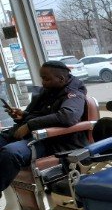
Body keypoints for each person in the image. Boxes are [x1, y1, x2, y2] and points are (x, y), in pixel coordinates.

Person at [0, 61, 88, 196]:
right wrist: (23, 116)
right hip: (31, 135)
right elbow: (41, 115)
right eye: (42, 78)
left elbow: (68, 116)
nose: (42, 82)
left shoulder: (73, 94)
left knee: (11, 153)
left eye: (46, 79)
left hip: (50, 140)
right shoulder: (48, 92)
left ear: (61, 79)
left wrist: (29, 125)